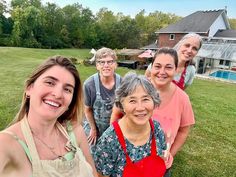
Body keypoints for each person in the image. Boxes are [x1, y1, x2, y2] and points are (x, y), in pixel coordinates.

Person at [0, 56, 97, 177]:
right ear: (29, 88)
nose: (57, 94)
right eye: (50, 82)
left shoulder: (75, 131)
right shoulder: (6, 143)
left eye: (67, 89)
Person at [94, 72, 167, 177]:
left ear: (154, 101)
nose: (140, 108)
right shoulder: (109, 140)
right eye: (132, 101)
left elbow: (161, 156)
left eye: (145, 99)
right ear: (122, 104)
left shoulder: (156, 128)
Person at [83, 47, 121, 153]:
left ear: (115, 64)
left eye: (110, 62)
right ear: (97, 66)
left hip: (115, 127)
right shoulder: (89, 84)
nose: (106, 65)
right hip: (95, 125)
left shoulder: (122, 83)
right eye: (101, 62)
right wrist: (93, 129)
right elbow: (87, 110)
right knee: (93, 155)